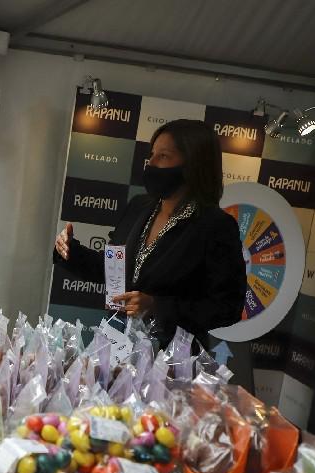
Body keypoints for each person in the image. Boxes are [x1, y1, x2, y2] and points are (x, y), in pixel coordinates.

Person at [54, 119, 245, 348]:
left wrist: (157, 306)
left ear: (193, 164)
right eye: (152, 154)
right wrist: (70, 252)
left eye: (163, 156)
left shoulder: (216, 226)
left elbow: (227, 308)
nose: (150, 163)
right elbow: (116, 270)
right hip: (114, 338)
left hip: (169, 356)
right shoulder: (139, 206)